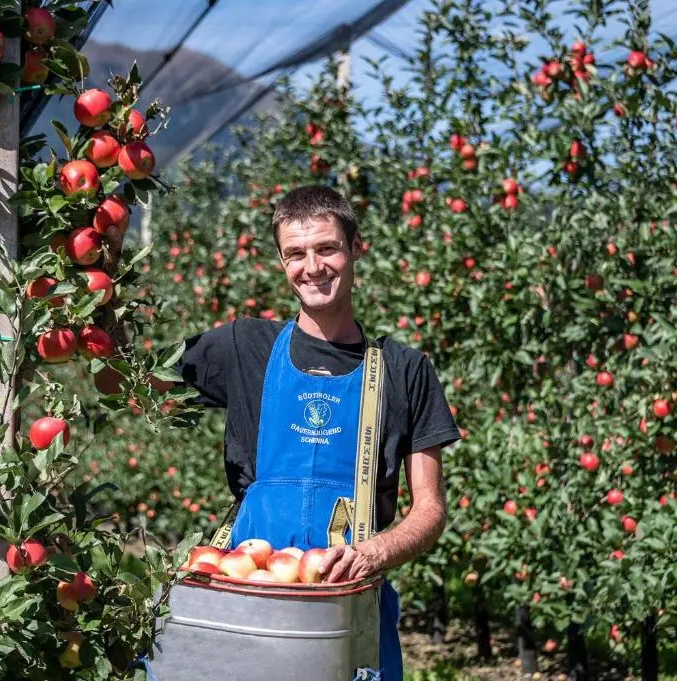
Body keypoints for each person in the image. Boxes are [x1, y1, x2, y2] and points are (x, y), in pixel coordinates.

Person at [160, 185, 459, 681]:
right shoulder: (244, 346)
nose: (312, 267)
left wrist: (374, 553)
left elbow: (430, 508)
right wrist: (104, 280)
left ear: (356, 248)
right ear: (282, 261)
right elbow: (134, 383)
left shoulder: (405, 371)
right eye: (295, 254)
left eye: (327, 248)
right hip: (249, 594)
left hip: (347, 605)